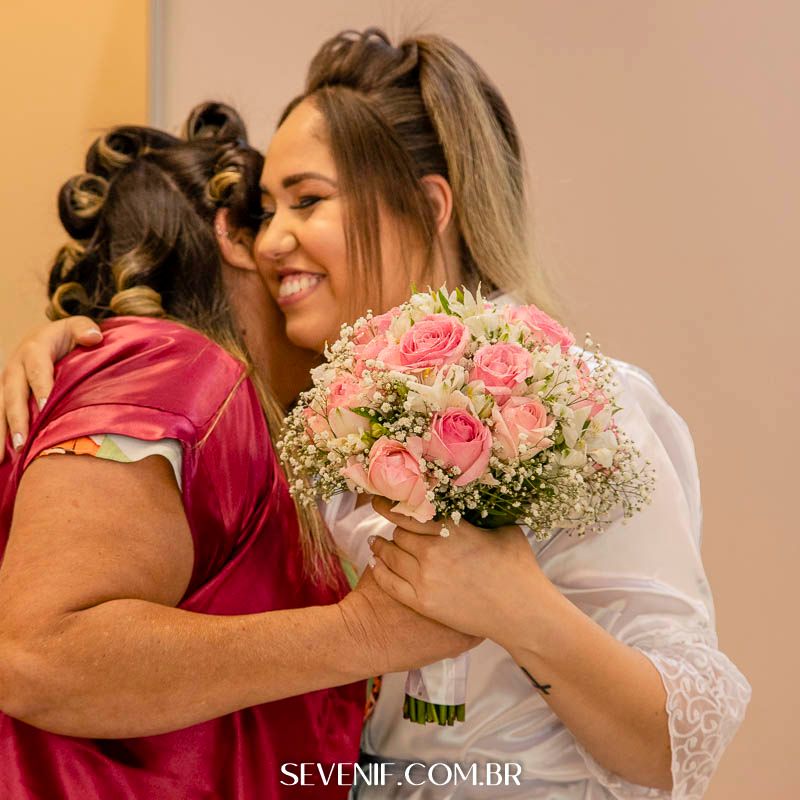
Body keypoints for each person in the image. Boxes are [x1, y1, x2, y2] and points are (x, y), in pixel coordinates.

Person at [2, 28, 751, 799]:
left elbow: (674, 751)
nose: (272, 241)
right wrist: (85, 345)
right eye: (266, 209)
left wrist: (517, 607)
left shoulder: (581, 404)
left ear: (428, 206)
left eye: (308, 201)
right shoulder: (312, 431)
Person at [0, 101, 476, 800]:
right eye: (274, 214)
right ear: (230, 234)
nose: (288, 243)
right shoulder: (177, 364)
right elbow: (39, 653)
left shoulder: (237, 406)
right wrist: (361, 633)